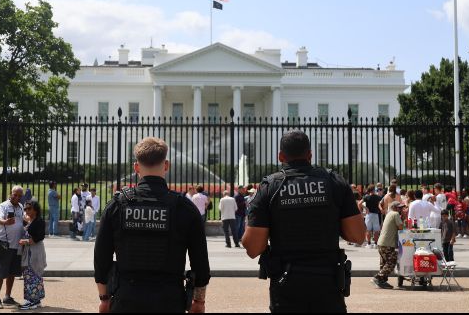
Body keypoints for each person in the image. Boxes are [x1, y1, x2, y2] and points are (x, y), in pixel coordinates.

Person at [241, 130, 366, 313]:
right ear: (310, 155)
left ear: (281, 156)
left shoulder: (270, 187)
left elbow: (252, 248)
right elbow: (358, 235)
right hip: (327, 282)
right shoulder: (333, 182)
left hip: (287, 283)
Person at [94, 137, 210, 313]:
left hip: (126, 298)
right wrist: (199, 301)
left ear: (136, 167)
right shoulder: (184, 208)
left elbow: (101, 258)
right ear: (166, 165)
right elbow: (200, 261)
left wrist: (104, 298)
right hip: (169, 300)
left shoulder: (117, 206)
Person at [0, 186, 25, 309]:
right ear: (11, 193)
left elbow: (22, 220)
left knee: (12, 272)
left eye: (19, 195)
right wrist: (5, 222)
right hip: (5, 245)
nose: (17, 197)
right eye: (15, 194)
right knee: (1, 273)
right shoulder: (3, 206)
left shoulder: (21, 206)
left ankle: (7, 296)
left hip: (17, 245)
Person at [19, 200, 47, 310]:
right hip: (30, 251)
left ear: (35, 210)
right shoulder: (31, 220)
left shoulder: (38, 221)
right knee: (32, 275)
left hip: (34, 252)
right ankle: (36, 299)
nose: (26, 211)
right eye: (25, 209)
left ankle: (31, 300)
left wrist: (24, 241)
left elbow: (39, 237)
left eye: (29, 208)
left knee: (32, 275)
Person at [372, 201, 406, 289]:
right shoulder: (395, 214)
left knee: (384, 263)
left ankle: (382, 281)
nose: (401, 210)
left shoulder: (389, 214)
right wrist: (403, 217)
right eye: (399, 208)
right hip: (388, 244)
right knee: (392, 261)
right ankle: (378, 278)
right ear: (395, 208)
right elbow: (401, 227)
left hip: (381, 242)